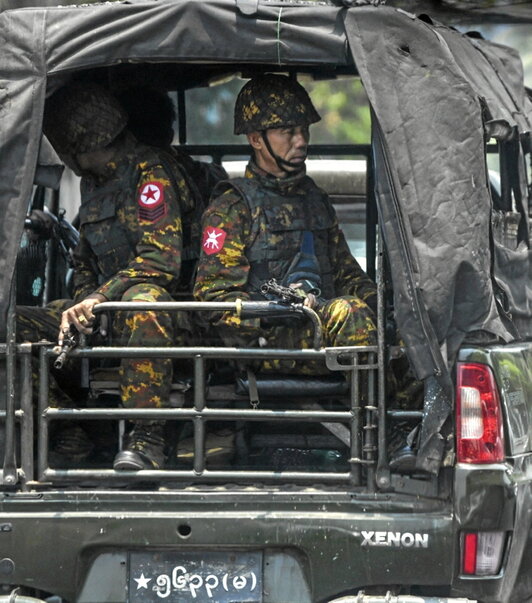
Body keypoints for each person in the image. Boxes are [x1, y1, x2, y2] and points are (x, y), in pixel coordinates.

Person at [22, 81, 199, 470]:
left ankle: (147, 440)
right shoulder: (93, 184)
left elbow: (161, 261)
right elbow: (85, 259)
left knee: (144, 304)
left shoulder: (150, 171)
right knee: (13, 322)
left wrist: (98, 299)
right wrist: (82, 304)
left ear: (78, 147)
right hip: (106, 314)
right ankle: (69, 427)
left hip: (169, 316)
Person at [193, 74, 377, 368]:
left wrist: (386, 308)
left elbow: (347, 274)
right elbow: (213, 301)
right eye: (287, 132)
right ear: (256, 139)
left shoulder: (314, 200)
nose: (301, 141)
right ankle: (369, 413)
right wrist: (277, 311)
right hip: (267, 346)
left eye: (304, 130)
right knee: (350, 312)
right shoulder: (232, 207)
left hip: (322, 330)